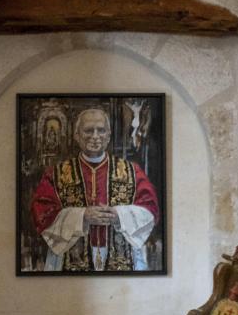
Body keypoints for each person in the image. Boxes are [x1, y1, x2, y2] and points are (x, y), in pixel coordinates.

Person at [30, 108, 160, 272]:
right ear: (76, 135)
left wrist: (119, 215)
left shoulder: (132, 172)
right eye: (88, 130)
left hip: (123, 258)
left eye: (101, 130)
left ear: (109, 135)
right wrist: (82, 216)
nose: (95, 136)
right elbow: (41, 214)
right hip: (69, 258)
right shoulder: (56, 174)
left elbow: (151, 210)